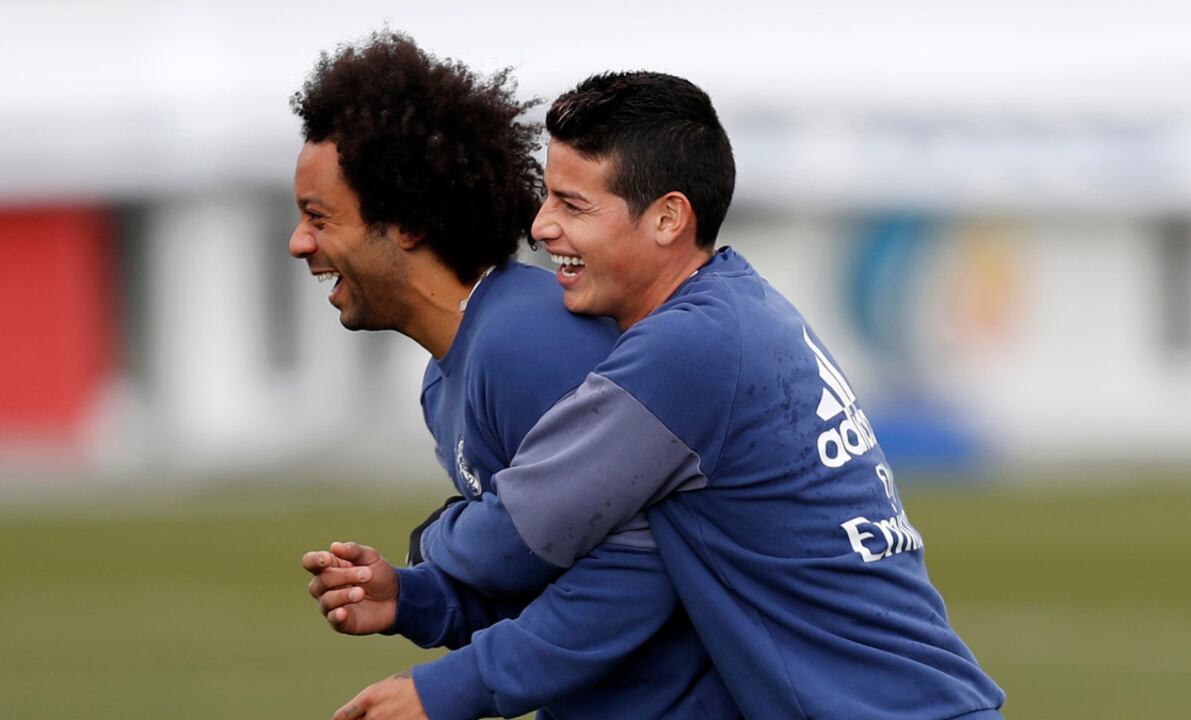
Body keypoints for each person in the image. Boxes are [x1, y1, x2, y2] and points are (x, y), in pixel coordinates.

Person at [325, 71, 1007, 719]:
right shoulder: (738, 310)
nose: (539, 226)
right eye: (546, 197)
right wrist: (417, 600)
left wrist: (427, 554)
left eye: (571, 204)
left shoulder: (688, 349)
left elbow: (519, 533)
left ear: (667, 219)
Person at [288, 32, 735, 720]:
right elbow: (546, 566)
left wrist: (449, 692)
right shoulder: (447, 379)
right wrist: (412, 598)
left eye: (318, 217)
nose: (299, 243)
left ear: (405, 222)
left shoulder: (525, 338)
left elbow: (644, 566)